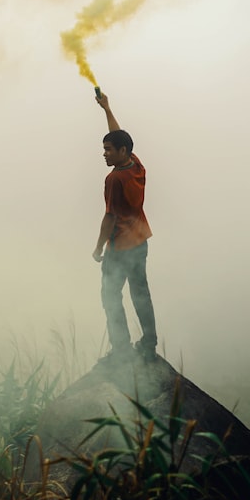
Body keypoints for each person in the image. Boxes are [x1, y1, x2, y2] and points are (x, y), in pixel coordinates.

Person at [93, 92, 158, 364]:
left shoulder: (114, 179)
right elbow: (119, 135)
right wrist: (107, 108)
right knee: (140, 293)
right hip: (140, 242)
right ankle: (149, 343)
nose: (105, 153)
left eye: (109, 149)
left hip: (119, 249)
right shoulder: (136, 166)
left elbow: (109, 219)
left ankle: (121, 350)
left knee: (110, 296)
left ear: (122, 152)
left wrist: (98, 248)